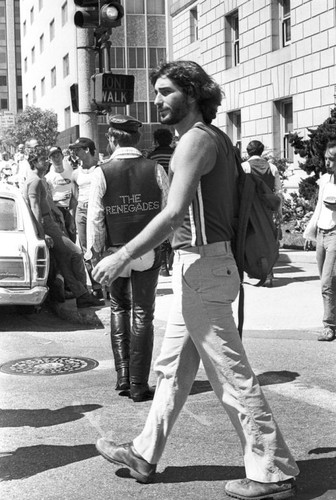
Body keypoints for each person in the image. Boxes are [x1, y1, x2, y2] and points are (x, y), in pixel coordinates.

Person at [92, 61, 299, 499]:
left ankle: (273, 471)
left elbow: (172, 214)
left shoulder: (195, 141)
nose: (158, 99)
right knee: (170, 371)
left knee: (231, 375)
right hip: (203, 268)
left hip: (204, 268)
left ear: (192, 92)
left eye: (166, 90)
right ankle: (144, 454)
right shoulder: (217, 139)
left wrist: (122, 255)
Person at [86, 114, 169, 402]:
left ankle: (122, 375)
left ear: (111, 139)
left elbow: (96, 217)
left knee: (119, 308)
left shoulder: (102, 172)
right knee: (144, 313)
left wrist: (95, 252)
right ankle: (138, 384)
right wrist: (163, 244)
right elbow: (166, 210)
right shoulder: (155, 169)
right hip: (146, 250)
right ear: (138, 139)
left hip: (114, 251)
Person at [23, 151, 104, 309]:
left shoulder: (38, 180)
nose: (47, 162)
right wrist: (42, 232)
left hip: (48, 221)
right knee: (76, 253)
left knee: (64, 261)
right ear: (34, 162)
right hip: (45, 223)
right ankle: (82, 293)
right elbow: (35, 207)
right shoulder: (35, 181)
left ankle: (81, 295)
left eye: (47, 159)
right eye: (42, 160)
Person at [304, 140, 336, 341]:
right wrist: (310, 233)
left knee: (327, 283)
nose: (327, 163)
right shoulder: (324, 179)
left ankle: (329, 326)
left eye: (332, 159)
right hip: (322, 234)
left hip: (335, 234)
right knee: (327, 282)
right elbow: (319, 209)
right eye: (326, 159)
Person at [242, 140, 283, 286]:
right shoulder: (272, 168)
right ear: (261, 151)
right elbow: (278, 192)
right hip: (268, 210)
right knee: (268, 240)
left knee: (251, 240)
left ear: (248, 152)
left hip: (250, 211)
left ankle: (254, 269)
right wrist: (279, 212)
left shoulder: (244, 167)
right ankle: (269, 272)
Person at [69, 137, 104, 300]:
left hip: (98, 209)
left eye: (78, 149)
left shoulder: (101, 169)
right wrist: (71, 219)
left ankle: (109, 285)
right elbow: (74, 198)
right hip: (82, 211)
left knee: (102, 248)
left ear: (87, 150)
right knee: (86, 251)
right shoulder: (75, 173)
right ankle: (96, 287)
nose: (75, 153)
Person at [148, 128, 175, 276]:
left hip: (158, 197)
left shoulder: (152, 157)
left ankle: (163, 266)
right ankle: (172, 259)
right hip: (177, 195)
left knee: (161, 229)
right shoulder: (175, 154)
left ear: (156, 140)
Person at [45, 146, 77, 243]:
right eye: (53, 157)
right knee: (62, 241)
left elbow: (75, 194)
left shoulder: (72, 173)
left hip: (71, 209)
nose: (56, 159)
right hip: (57, 211)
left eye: (58, 155)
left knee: (72, 239)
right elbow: (48, 198)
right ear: (50, 160)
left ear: (62, 156)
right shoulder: (48, 178)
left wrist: (73, 217)